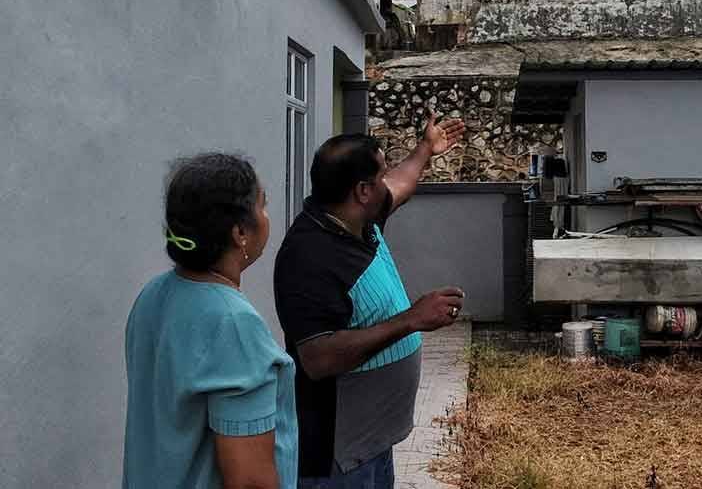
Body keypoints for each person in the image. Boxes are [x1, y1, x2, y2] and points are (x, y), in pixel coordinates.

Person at [274, 113, 467, 489]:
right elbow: (318, 358)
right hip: (338, 457)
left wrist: (426, 148)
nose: (387, 179)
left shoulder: (357, 218)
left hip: (372, 444)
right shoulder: (307, 256)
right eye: (379, 175)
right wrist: (411, 319)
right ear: (362, 191)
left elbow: (401, 181)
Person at [123, 153, 297, 489]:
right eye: (262, 205)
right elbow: (250, 482)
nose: (266, 216)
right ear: (240, 233)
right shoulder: (234, 324)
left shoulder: (154, 294)